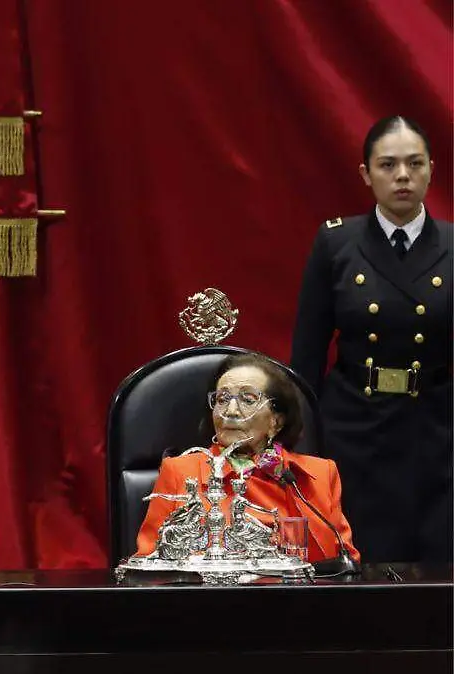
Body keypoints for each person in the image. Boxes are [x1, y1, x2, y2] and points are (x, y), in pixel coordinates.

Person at [291, 115, 452, 563]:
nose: (402, 176)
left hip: (433, 427)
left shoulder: (451, 247)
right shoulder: (336, 243)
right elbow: (308, 350)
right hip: (353, 425)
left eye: (415, 163)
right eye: (388, 165)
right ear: (366, 173)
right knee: (357, 557)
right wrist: (303, 437)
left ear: (432, 170)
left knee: (433, 562)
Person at [136, 353, 360, 564]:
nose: (231, 411)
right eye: (222, 399)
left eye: (248, 399)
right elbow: (149, 563)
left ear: (276, 421)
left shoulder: (319, 474)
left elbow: (344, 565)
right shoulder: (180, 472)